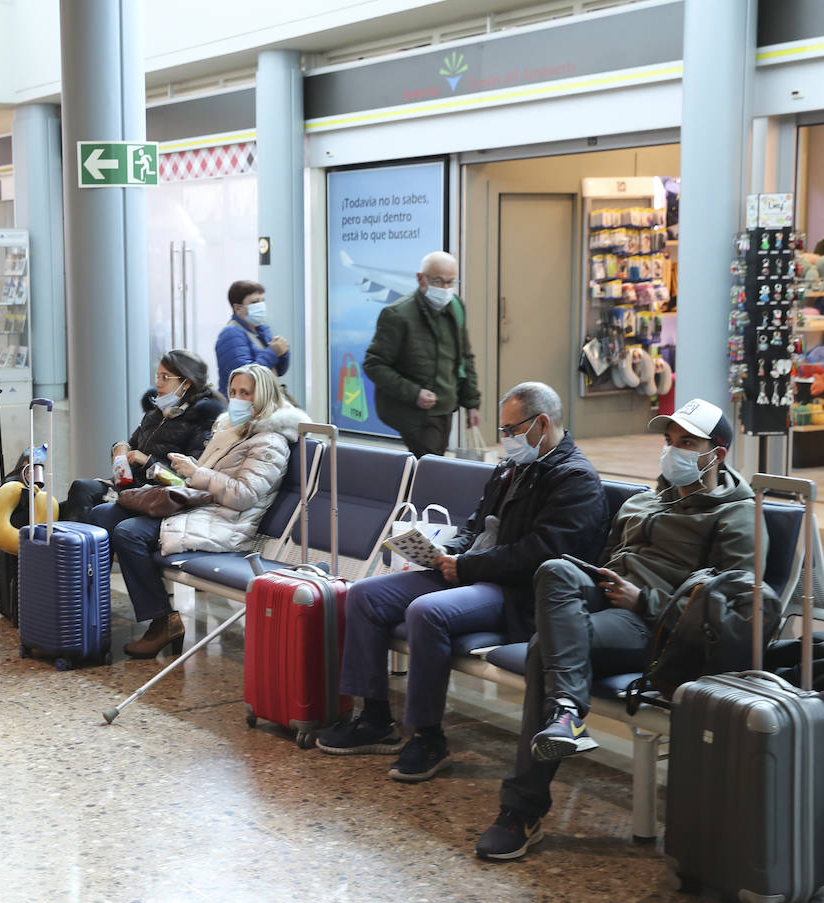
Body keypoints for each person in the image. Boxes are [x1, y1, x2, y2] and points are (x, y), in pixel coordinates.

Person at [475, 397, 756, 861]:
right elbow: (603, 559)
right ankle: (567, 711)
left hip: (655, 627)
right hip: (606, 603)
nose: (674, 450)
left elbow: (732, 612)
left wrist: (644, 600)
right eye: (670, 441)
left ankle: (522, 807)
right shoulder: (649, 498)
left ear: (718, 452)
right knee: (555, 570)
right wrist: (602, 583)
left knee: (543, 649)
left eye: (688, 442)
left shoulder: (736, 514)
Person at [314, 382, 607, 781]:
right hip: (473, 573)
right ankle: (376, 720)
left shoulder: (576, 480)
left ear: (541, 423)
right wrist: (445, 552)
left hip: (517, 592)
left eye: (510, 430)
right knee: (364, 596)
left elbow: (543, 553)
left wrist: (467, 566)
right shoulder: (512, 469)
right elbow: (477, 524)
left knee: (426, 612)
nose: (504, 439)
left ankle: (428, 737)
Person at [91, 363, 309, 658]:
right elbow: (202, 478)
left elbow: (243, 495)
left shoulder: (270, 442)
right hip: (199, 505)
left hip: (225, 520)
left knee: (128, 533)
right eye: (233, 392)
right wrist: (189, 471)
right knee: (102, 515)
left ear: (264, 396)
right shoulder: (230, 429)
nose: (237, 399)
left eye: (246, 393)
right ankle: (91, 611)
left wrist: (197, 473)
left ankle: (162, 622)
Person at [62, 349, 224, 521]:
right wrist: (120, 447)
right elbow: (132, 443)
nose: (158, 384)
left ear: (186, 383)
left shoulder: (202, 423)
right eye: (157, 377)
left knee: (85, 501)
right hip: (132, 486)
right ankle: (73, 545)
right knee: (74, 495)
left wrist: (146, 461)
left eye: (165, 378)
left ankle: (79, 546)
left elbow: (184, 481)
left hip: (158, 497)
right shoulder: (157, 412)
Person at [364, 251, 480, 457]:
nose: (445, 288)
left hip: (446, 406)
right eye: (438, 281)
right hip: (415, 413)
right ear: (421, 279)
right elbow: (374, 365)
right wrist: (414, 393)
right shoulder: (398, 315)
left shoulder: (456, 306)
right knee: (430, 469)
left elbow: (465, 357)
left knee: (432, 466)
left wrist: (471, 404)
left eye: (450, 282)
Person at [214, 280, 289, 396]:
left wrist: (283, 352)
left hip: (264, 403)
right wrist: (273, 352)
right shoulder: (231, 334)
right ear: (238, 308)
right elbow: (244, 377)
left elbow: (279, 370)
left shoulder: (262, 331)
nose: (261, 306)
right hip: (245, 405)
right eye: (254, 302)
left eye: (262, 301)